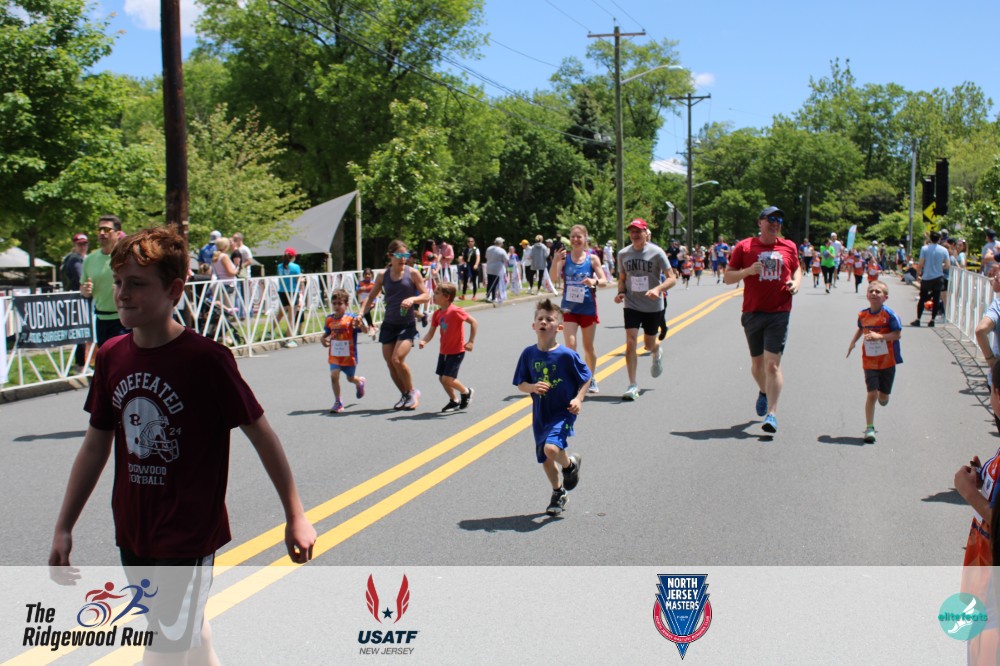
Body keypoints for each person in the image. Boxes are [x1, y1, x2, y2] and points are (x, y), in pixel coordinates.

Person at [48, 227, 316, 664]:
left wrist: (295, 515)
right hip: (134, 527)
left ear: (174, 290)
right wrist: (64, 525)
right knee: (181, 629)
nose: (122, 294)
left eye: (136, 283)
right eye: (118, 282)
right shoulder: (112, 355)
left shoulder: (206, 360)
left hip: (187, 532)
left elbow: (261, 433)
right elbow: (95, 446)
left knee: (163, 647)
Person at [724, 206, 802, 434]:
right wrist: (747, 271)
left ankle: (772, 414)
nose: (775, 223)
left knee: (772, 364)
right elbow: (728, 277)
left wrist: (796, 283)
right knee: (757, 366)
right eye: (770, 219)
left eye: (779, 220)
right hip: (753, 312)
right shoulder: (745, 246)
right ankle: (764, 391)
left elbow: (797, 269)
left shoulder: (789, 246)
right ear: (760, 223)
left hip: (779, 312)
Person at [513, 299, 591, 516]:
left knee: (551, 449)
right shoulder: (528, 354)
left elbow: (586, 377)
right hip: (541, 414)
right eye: (540, 319)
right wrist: (532, 387)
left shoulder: (566, 355)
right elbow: (521, 384)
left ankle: (569, 467)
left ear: (559, 327)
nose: (544, 322)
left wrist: (579, 399)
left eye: (549, 319)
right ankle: (558, 492)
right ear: (533, 325)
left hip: (563, 412)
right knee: (546, 459)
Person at [360, 240, 430, 410]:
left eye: (406, 255)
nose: (403, 259)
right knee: (390, 364)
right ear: (390, 256)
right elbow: (370, 298)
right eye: (399, 255)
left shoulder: (413, 273)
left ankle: (412, 392)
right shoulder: (382, 276)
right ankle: (405, 395)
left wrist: (412, 299)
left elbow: (426, 295)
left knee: (397, 359)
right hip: (389, 323)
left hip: (406, 324)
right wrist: (360, 314)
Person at [615, 219, 674, 401]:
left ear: (645, 232)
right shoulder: (623, 254)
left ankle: (656, 351)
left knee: (648, 344)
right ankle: (632, 385)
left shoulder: (657, 252)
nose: (634, 235)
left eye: (638, 231)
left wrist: (658, 289)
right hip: (632, 303)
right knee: (631, 341)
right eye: (632, 231)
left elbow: (672, 278)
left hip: (652, 305)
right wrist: (621, 293)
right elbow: (622, 278)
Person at [550, 224, 608, 394]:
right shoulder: (564, 258)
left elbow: (604, 280)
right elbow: (553, 278)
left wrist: (594, 281)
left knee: (588, 347)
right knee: (570, 345)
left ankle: (591, 377)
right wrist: (555, 260)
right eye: (573, 237)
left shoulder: (592, 259)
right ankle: (574, 378)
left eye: (579, 237)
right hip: (569, 308)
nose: (575, 240)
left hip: (588, 308)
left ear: (585, 239)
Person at [846, 280, 902, 443]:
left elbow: (897, 335)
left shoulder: (890, 315)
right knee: (871, 394)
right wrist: (853, 342)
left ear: (885, 297)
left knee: (883, 397)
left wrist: (880, 336)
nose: (874, 294)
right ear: (867, 295)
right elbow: (860, 328)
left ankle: (884, 396)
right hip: (869, 361)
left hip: (887, 361)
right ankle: (869, 428)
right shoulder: (863, 315)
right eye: (871, 291)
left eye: (878, 292)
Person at [419, 282, 477, 412]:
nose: (434, 295)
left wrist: (471, 341)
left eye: (437, 293)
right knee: (442, 378)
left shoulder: (455, 311)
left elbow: (474, 322)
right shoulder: (437, 314)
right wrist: (424, 341)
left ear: (446, 296)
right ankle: (454, 400)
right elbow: (431, 332)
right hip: (444, 351)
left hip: (456, 351)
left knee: (447, 378)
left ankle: (466, 392)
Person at [82, 215, 129, 348]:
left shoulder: (127, 256)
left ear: (118, 233)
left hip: (124, 319)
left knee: (122, 357)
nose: (102, 233)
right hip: (101, 320)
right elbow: (83, 290)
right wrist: (85, 290)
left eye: (107, 230)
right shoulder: (90, 259)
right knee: (106, 357)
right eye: (100, 230)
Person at [321, 288, 367, 413]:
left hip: (349, 356)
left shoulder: (351, 318)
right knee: (334, 376)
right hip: (335, 355)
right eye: (334, 303)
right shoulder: (329, 319)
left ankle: (359, 382)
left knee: (350, 378)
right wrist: (323, 338)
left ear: (346, 304)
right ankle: (338, 401)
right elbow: (328, 332)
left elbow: (365, 330)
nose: (337, 306)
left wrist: (361, 324)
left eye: (340, 303)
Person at [911, 231, 950, 327]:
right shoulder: (944, 250)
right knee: (936, 298)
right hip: (938, 277)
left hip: (927, 277)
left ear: (930, 239)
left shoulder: (924, 249)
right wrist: (940, 267)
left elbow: (920, 263)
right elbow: (947, 265)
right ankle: (932, 320)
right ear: (939, 239)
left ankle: (918, 319)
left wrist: (918, 274)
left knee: (922, 298)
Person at [276, 248, 303, 345]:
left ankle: (270, 332)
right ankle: (290, 339)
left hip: (282, 291)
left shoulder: (279, 266)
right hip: (292, 291)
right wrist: (301, 284)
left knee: (281, 313)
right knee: (292, 316)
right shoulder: (296, 267)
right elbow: (298, 281)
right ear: (293, 257)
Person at [484, 237, 507, 304]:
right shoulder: (502, 250)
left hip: (489, 267)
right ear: (500, 243)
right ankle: (493, 297)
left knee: (489, 282)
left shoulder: (489, 248)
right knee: (494, 283)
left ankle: (488, 295)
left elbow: (486, 256)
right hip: (497, 269)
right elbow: (506, 259)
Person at [356, 267, 378, 337]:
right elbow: (357, 292)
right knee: (364, 314)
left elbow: (378, 291)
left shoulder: (373, 283)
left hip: (372, 301)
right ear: (363, 275)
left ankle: (371, 328)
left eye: (369, 274)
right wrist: (361, 290)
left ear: (372, 275)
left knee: (366, 312)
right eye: (365, 274)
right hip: (363, 302)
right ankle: (373, 328)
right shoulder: (361, 283)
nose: (367, 276)